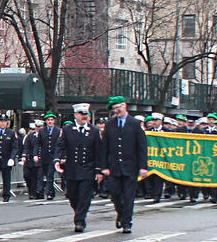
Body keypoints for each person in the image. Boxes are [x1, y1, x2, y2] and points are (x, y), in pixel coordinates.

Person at [101, 96, 148, 234]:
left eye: (118, 107)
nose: (117, 110)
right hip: (114, 167)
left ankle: (127, 222)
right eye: (114, 108)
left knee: (128, 196)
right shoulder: (110, 124)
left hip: (130, 166)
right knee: (115, 194)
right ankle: (121, 213)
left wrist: (143, 166)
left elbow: (142, 147)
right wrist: (104, 166)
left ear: (125, 105)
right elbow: (105, 147)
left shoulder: (135, 123)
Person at [54, 103, 104, 232]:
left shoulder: (94, 131)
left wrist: (99, 170)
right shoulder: (67, 130)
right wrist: (57, 160)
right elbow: (60, 146)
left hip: (87, 169)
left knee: (84, 196)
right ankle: (79, 212)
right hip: (71, 169)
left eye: (86, 114)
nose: (84, 117)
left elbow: (99, 152)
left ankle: (80, 220)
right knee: (72, 196)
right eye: (81, 114)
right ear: (76, 115)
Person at [36, 112, 62, 200]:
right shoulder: (42, 131)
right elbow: (38, 144)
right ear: (46, 121)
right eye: (48, 120)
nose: (50, 122)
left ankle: (49, 193)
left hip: (54, 157)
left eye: (51, 120)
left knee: (50, 175)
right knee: (44, 175)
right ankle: (44, 192)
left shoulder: (58, 131)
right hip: (44, 156)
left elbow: (60, 144)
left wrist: (60, 156)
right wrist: (36, 154)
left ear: (54, 121)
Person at [21, 123, 40, 199]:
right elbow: (26, 146)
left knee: (35, 177)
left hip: (38, 159)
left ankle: (35, 192)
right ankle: (31, 191)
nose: (32, 130)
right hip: (29, 159)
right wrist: (24, 155)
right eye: (31, 129)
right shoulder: (30, 136)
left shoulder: (42, 135)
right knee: (27, 175)